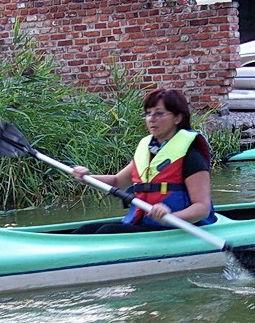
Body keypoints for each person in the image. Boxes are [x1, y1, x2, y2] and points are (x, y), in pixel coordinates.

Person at [71, 88, 216, 234]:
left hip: (177, 228)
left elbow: (202, 208)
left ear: (177, 118)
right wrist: (86, 178)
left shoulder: (191, 156)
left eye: (159, 113)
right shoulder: (149, 151)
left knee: (106, 231)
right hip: (147, 223)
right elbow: (117, 182)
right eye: (148, 113)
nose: (152, 118)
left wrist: (170, 217)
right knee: (85, 230)